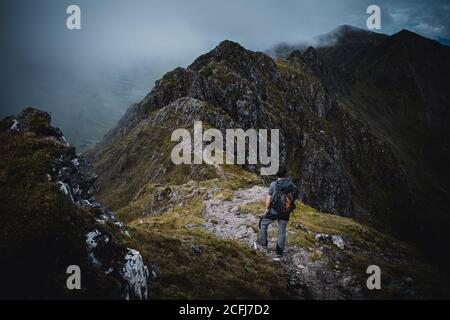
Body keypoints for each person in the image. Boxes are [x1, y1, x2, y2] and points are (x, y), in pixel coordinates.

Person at [258, 166, 299, 256]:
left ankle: (263, 243)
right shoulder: (292, 185)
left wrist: (266, 210)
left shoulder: (274, 184)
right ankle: (279, 252)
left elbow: (268, 200)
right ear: (285, 174)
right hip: (286, 211)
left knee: (263, 223)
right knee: (282, 231)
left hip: (274, 211)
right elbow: (294, 197)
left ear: (276, 174)